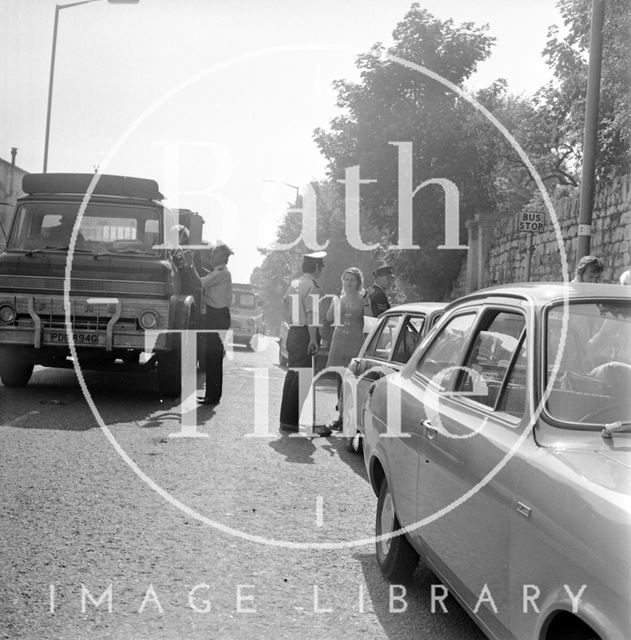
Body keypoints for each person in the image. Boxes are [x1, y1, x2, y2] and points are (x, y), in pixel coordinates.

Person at [279, 251, 331, 436]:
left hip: (294, 331)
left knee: (293, 375)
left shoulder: (295, 283)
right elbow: (311, 314)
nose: (323, 269)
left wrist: (292, 321)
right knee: (303, 378)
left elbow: (285, 305)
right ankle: (291, 422)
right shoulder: (313, 287)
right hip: (305, 333)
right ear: (317, 267)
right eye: (322, 266)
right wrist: (312, 338)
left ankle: (287, 420)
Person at [182, 241, 234, 406]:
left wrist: (190, 264)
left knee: (214, 357)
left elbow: (199, 283)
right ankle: (211, 395)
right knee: (211, 356)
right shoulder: (218, 273)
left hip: (218, 316)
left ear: (221, 257)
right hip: (215, 315)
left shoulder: (221, 273)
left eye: (214, 253)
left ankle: (213, 397)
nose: (211, 255)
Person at [325, 267, 366, 430]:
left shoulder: (363, 299)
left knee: (352, 378)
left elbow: (368, 321)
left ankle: (350, 416)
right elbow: (329, 318)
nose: (349, 283)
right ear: (342, 281)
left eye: (352, 280)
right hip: (339, 340)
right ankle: (341, 416)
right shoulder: (339, 298)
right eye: (346, 279)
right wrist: (335, 304)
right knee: (340, 378)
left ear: (358, 283)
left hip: (355, 341)